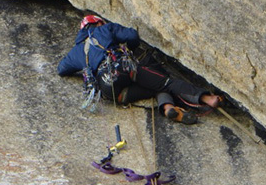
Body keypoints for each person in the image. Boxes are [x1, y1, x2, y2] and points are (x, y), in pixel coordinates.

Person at [57, 14, 224, 124]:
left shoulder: (76, 51)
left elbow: (61, 69)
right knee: (165, 82)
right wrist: (129, 48)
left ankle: (168, 108)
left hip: (112, 92)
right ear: (98, 22)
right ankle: (207, 98)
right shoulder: (104, 29)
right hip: (124, 68)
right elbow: (132, 36)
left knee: (153, 86)